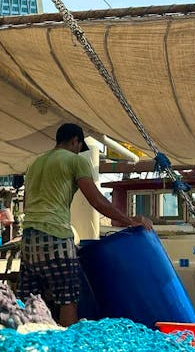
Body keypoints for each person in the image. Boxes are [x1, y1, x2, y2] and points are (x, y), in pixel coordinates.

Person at [20, 123, 153, 327]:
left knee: (31, 301)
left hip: (28, 238)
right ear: (75, 141)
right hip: (56, 235)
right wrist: (130, 221)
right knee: (68, 298)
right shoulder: (76, 160)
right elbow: (97, 201)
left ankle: (27, 346)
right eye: (78, 146)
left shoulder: (34, 163)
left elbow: (27, 202)